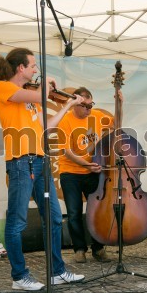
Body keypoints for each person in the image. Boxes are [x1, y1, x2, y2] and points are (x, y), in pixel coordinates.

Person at [0, 48, 85, 291]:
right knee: (17, 221)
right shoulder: (4, 88)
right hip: (21, 162)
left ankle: (57, 272)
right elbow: (39, 96)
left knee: (53, 216)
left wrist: (67, 106)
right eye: (33, 66)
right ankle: (19, 276)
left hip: (40, 161)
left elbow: (47, 126)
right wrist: (48, 83)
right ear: (20, 68)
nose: (35, 70)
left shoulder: (31, 98)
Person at [58, 87, 120, 263]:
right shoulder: (65, 121)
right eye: (84, 106)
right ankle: (79, 249)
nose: (88, 110)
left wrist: (119, 103)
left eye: (90, 105)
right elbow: (67, 151)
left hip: (92, 171)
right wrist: (86, 164)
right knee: (74, 212)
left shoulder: (97, 116)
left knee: (97, 210)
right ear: (75, 105)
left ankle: (98, 248)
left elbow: (117, 124)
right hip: (70, 173)